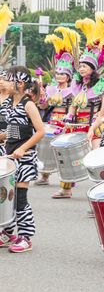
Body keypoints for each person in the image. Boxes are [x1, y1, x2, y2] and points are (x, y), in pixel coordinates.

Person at [52, 14, 104, 199]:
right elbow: (73, 105)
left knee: (96, 156)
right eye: (81, 65)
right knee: (68, 156)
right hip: (76, 123)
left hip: (93, 124)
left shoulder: (101, 85)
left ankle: (100, 192)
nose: (82, 68)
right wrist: (69, 115)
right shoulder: (77, 84)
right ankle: (66, 188)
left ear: (93, 68)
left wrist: (97, 121)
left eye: (86, 66)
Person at [0, 66, 45, 252]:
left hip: (25, 158)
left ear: (19, 83)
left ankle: (25, 236)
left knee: (19, 198)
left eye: (8, 79)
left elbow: (41, 131)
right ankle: (9, 231)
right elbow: (9, 131)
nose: (3, 81)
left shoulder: (28, 104)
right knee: (7, 196)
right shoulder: (7, 103)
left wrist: (23, 148)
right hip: (9, 157)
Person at [35, 27, 77, 185]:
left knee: (64, 152)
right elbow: (44, 107)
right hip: (51, 121)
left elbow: (75, 107)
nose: (59, 76)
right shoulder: (50, 89)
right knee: (45, 149)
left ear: (68, 76)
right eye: (57, 73)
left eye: (63, 74)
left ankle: (68, 179)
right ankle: (44, 175)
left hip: (66, 123)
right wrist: (43, 100)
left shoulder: (73, 90)